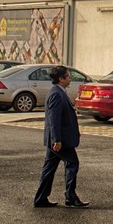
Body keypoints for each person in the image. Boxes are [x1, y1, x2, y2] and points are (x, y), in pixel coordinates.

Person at [33, 65, 89, 208]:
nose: (70, 78)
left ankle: (41, 198)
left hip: (57, 139)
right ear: (61, 79)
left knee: (49, 168)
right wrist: (56, 140)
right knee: (73, 163)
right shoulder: (56, 94)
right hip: (60, 141)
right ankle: (70, 196)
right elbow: (54, 119)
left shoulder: (58, 92)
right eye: (68, 76)